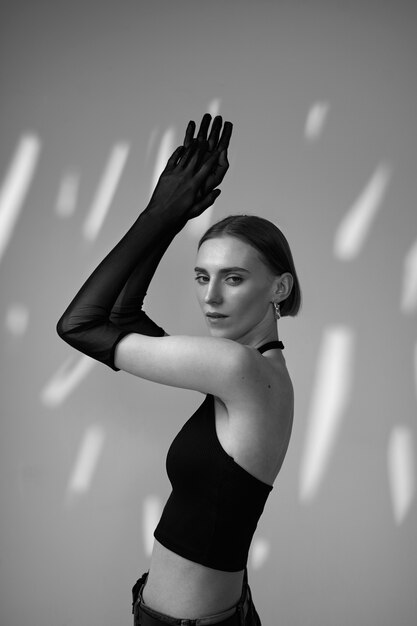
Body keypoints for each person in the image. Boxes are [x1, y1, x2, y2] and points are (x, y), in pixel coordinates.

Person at [56, 113, 301, 625]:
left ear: (279, 288)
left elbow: (81, 324)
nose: (210, 297)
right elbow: (121, 319)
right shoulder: (257, 371)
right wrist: (172, 215)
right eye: (201, 276)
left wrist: (161, 212)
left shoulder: (237, 368)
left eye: (233, 278)